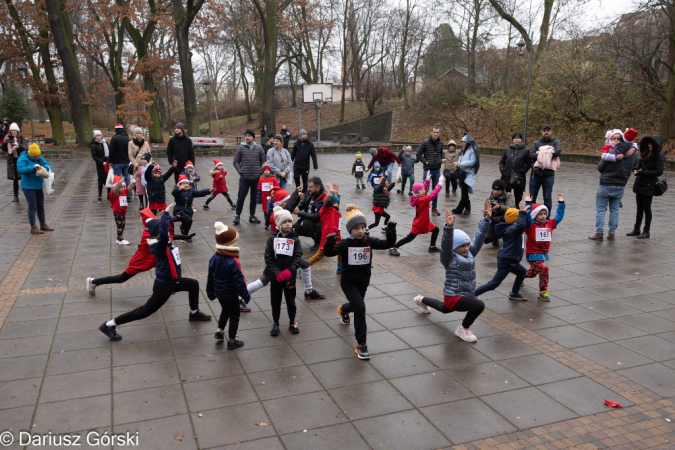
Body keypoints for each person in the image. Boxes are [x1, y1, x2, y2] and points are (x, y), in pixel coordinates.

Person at [98, 205, 212, 341]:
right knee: (145, 311)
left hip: (173, 281)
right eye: (164, 230)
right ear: (158, 234)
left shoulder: (164, 242)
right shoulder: (159, 246)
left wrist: (177, 225)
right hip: (164, 285)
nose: (168, 231)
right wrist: (165, 215)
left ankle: (194, 313)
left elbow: (167, 234)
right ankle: (109, 324)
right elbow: (164, 233)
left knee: (193, 284)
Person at [324, 205, 397, 359]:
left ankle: (344, 309)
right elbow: (329, 252)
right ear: (350, 230)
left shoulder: (368, 241)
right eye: (356, 228)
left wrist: (391, 232)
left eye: (363, 227)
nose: (360, 230)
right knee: (360, 307)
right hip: (348, 282)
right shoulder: (345, 244)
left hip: (363, 281)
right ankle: (361, 344)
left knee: (356, 306)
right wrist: (329, 242)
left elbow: (387, 245)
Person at [411, 207, 490, 343]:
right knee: (479, 305)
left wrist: (486, 220)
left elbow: (478, 240)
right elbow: (446, 245)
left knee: (443, 309)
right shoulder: (449, 258)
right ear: (454, 248)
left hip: (465, 294)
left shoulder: (470, 253)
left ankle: (421, 299)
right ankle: (463, 328)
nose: (466, 248)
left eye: (467, 245)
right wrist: (448, 228)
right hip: (454, 296)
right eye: (462, 246)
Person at [589, 128, 638, 241]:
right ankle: (612, 233)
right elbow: (633, 167)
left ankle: (599, 233)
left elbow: (600, 167)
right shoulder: (633, 155)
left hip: (606, 183)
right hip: (621, 185)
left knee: (601, 209)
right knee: (615, 210)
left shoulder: (611, 152)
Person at [475, 203, 529, 301]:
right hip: (507, 261)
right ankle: (473, 293)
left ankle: (514, 293)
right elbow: (521, 226)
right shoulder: (512, 230)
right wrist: (521, 212)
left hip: (510, 259)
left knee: (522, 272)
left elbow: (525, 223)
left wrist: (524, 210)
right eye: (519, 217)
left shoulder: (511, 228)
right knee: (494, 284)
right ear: (514, 219)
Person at [207, 222, 248, 349]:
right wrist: (245, 294)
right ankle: (232, 340)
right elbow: (239, 281)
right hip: (230, 293)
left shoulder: (214, 258)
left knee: (225, 310)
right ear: (230, 244)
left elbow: (210, 276)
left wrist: (210, 291)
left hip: (219, 292)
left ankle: (219, 331)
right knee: (234, 315)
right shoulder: (233, 261)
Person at [264, 206, 302, 336]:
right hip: (276, 277)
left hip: (289, 277)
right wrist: (276, 272)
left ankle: (292, 322)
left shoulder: (295, 240)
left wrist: (289, 271)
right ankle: (276, 323)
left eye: (290, 221)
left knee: (291, 300)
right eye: (285, 222)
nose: (288, 224)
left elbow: (297, 258)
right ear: (279, 224)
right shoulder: (272, 239)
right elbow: (268, 258)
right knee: (275, 300)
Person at [524, 192, 566, 301]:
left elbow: (559, 217)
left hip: (543, 254)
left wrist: (561, 203)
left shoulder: (549, 224)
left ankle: (520, 276)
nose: (543, 216)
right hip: (532, 254)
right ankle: (543, 291)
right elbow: (526, 216)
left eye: (544, 214)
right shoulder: (530, 225)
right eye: (540, 214)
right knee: (544, 269)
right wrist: (528, 203)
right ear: (535, 215)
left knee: (532, 273)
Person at [388, 177, 443, 256]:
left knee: (436, 230)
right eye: (421, 190)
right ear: (417, 192)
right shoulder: (421, 200)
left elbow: (424, 189)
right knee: (409, 238)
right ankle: (394, 247)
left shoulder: (419, 197)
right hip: (420, 224)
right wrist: (439, 185)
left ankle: (432, 246)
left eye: (423, 189)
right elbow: (432, 195)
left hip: (425, 222)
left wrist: (427, 180)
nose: (424, 190)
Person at [627, 136, 666, 239]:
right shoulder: (646, 153)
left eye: (651, 144)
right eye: (648, 143)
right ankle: (636, 228)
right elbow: (639, 162)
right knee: (639, 207)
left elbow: (658, 171)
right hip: (640, 183)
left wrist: (642, 173)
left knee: (646, 208)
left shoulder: (659, 156)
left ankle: (646, 230)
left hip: (649, 184)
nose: (648, 145)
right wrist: (635, 168)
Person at [16, 144, 54, 234]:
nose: (37, 157)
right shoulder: (22, 158)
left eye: (38, 155)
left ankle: (43, 224)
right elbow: (20, 170)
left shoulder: (40, 158)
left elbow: (47, 164)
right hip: (28, 186)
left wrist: (45, 167)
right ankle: (33, 227)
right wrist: (33, 167)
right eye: (35, 156)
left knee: (40, 206)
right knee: (32, 206)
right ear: (30, 154)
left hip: (38, 185)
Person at [307, 182, 343, 274]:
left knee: (341, 250)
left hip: (337, 235)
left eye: (337, 203)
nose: (336, 204)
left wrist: (336, 194)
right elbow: (328, 201)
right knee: (319, 255)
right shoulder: (326, 209)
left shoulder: (337, 212)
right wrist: (331, 191)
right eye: (334, 203)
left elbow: (335, 201)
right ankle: (304, 266)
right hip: (328, 236)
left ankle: (340, 267)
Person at [233, 129, 265, 225]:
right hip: (244, 178)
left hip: (256, 179)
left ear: (253, 137)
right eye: (246, 135)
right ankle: (237, 216)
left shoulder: (259, 148)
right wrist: (240, 171)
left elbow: (263, 162)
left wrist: (260, 171)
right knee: (241, 197)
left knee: (254, 198)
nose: (247, 137)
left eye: (249, 135)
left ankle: (252, 215)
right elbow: (235, 162)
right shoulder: (240, 148)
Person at [529, 124, 562, 217]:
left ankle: (546, 218)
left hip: (548, 175)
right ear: (541, 132)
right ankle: (532, 217)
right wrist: (547, 154)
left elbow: (557, 153)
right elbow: (531, 154)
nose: (546, 132)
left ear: (551, 131)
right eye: (544, 130)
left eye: (548, 130)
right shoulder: (536, 143)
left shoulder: (556, 142)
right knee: (532, 198)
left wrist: (540, 153)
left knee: (547, 198)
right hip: (535, 174)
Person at [292, 177, 326, 251]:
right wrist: (298, 207)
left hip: (318, 224)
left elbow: (317, 217)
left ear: (318, 187)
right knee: (292, 230)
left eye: (310, 187)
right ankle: (294, 243)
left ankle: (318, 242)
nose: (308, 189)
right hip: (307, 219)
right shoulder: (310, 192)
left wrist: (299, 213)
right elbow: (304, 201)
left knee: (306, 223)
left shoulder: (324, 197)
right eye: (308, 186)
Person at [416, 127, 444, 214]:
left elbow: (441, 152)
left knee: (436, 190)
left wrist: (442, 158)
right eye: (434, 132)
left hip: (437, 169)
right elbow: (418, 154)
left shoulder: (440, 143)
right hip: (427, 170)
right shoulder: (425, 143)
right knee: (425, 190)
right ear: (431, 133)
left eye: (437, 132)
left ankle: (434, 208)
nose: (436, 134)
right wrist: (425, 161)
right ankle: (423, 206)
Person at [500, 132, 530, 206]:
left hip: (518, 177)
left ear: (521, 140)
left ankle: (518, 213)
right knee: (505, 197)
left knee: (518, 198)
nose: (517, 140)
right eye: (515, 138)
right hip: (506, 176)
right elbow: (502, 162)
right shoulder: (508, 150)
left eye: (519, 138)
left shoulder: (525, 151)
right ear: (512, 140)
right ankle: (505, 213)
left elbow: (528, 163)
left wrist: (522, 171)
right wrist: (503, 170)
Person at [451, 133, 478, 215]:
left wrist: (461, 163)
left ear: (467, 142)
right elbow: (461, 158)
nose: (462, 143)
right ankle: (467, 209)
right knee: (464, 191)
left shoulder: (472, 150)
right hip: (462, 173)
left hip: (468, 174)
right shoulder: (463, 150)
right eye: (462, 141)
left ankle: (459, 209)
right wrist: (458, 162)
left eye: (464, 141)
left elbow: (473, 161)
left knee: (464, 192)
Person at [484, 179, 515, 247]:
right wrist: (488, 212)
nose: (495, 192)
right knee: (486, 239)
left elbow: (511, 209)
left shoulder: (508, 196)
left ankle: (505, 235)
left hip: (506, 220)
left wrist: (500, 207)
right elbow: (486, 216)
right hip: (495, 221)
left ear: (502, 190)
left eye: (498, 190)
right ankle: (495, 237)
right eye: (494, 189)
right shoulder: (489, 199)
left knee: (508, 240)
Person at [3, 122, 28, 203]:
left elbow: (25, 148)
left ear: (18, 131)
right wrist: (4, 142)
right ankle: (15, 196)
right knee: (15, 179)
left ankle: (27, 194)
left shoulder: (22, 138)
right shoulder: (8, 138)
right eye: (12, 130)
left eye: (15, 130)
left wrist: (17, 143)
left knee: (24, 178)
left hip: (21, 160)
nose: (13, 132)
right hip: (12, 161)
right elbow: (3, 149)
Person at [109, 175, 136, 245]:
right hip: (117, 212)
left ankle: (119, 238)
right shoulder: (114, 194)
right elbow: (114, 190)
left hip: (123, 212)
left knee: (122, 225)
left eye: (123, 187)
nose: (122, 189)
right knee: (119, 225)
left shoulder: (124, 192)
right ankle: (120, 238)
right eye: (121, 187)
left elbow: (129, 189)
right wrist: (119, 183)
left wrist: (133, 183)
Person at [107, 124, 131, 201]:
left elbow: (112, 151)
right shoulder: (127, 139)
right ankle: (128, 195)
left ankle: (117, 194)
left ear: (116, 130)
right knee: (127, 178)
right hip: (126, 162)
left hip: (117, 162)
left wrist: (111, 161)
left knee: (117, 179)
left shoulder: (114, 138)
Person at [256, 163, 279, 228]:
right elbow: (259, 188)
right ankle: (266, 223)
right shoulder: (261, 179)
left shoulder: (273, 179)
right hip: (264, 198)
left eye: (268, 170)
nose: (266, 171)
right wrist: (258, 198)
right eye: (265, 170)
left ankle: (272, 222)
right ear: (263, 171)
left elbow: (277, 187)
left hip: (272, 198)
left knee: (272, 210)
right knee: (265, 210)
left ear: (270, 171)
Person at [90, 130, 109, 202]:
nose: (98, 137)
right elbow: (94, 156)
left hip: (107, 164)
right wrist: (101, 162)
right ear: (95, 137)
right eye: (97, 136)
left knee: (108, 179)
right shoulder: (94, 145)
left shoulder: (105, 143)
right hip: (100, 165)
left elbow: (110, 152)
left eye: (99, 135)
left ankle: (109, 194)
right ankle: (100, 194)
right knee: (101, 180)